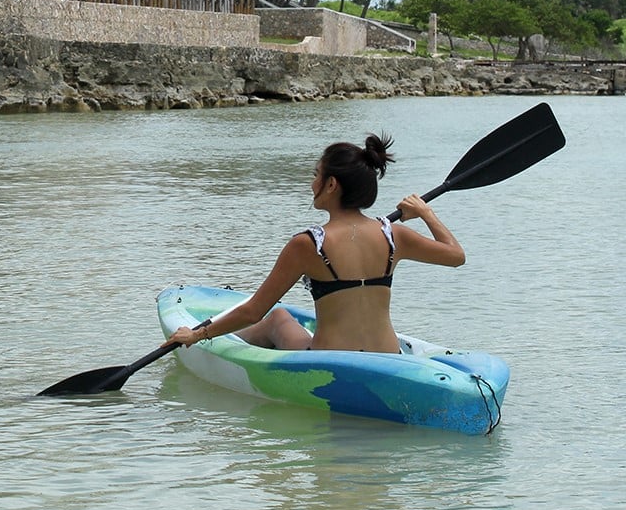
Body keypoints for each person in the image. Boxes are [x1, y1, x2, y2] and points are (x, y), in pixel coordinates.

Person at [166, 134, 465, 354]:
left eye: (316, 176)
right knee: (281, 316)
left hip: (328, 361)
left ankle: (227, 351)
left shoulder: (308, 244)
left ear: (331, 184)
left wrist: (198, 334)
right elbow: (456, 256)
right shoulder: (393, 235)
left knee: (277, 317)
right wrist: (427, 214)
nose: (312, 184)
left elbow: (253, 310)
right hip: (389, 356)